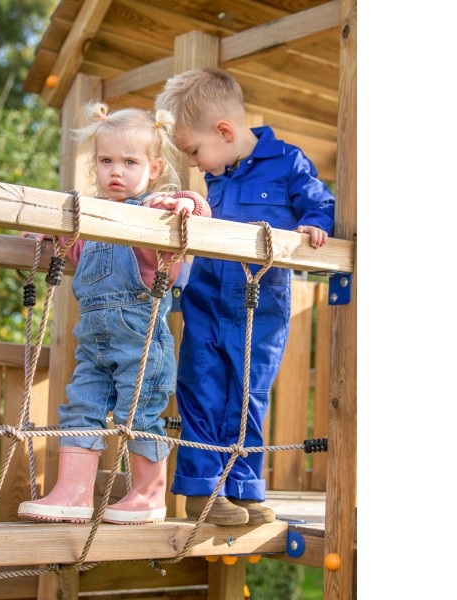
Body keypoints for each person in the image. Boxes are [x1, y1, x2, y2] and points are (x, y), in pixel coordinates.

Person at [153, 67, 335, 526]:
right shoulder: (217, 174)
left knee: (249, 394)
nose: (196, 164)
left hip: (262, 305)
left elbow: (320, 203)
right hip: (207, 298)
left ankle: (244, 489)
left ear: (224, 131)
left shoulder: (288, 162)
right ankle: (203, 491)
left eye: (194, 151)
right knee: (202, 389)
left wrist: (314, 224)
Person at [17, 102, 211, 525]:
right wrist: (45, 234)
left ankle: (148, 496)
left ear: (154, 168)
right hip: (93, 344)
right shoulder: (90, 219)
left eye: (129, 162)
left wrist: (181, 204)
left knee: (138, 414)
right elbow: (70, 246)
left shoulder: (153, 213)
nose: (115, 171)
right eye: (106, 161)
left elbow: (196, 207)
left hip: (141, 343)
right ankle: (73, 493)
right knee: (80, 408)